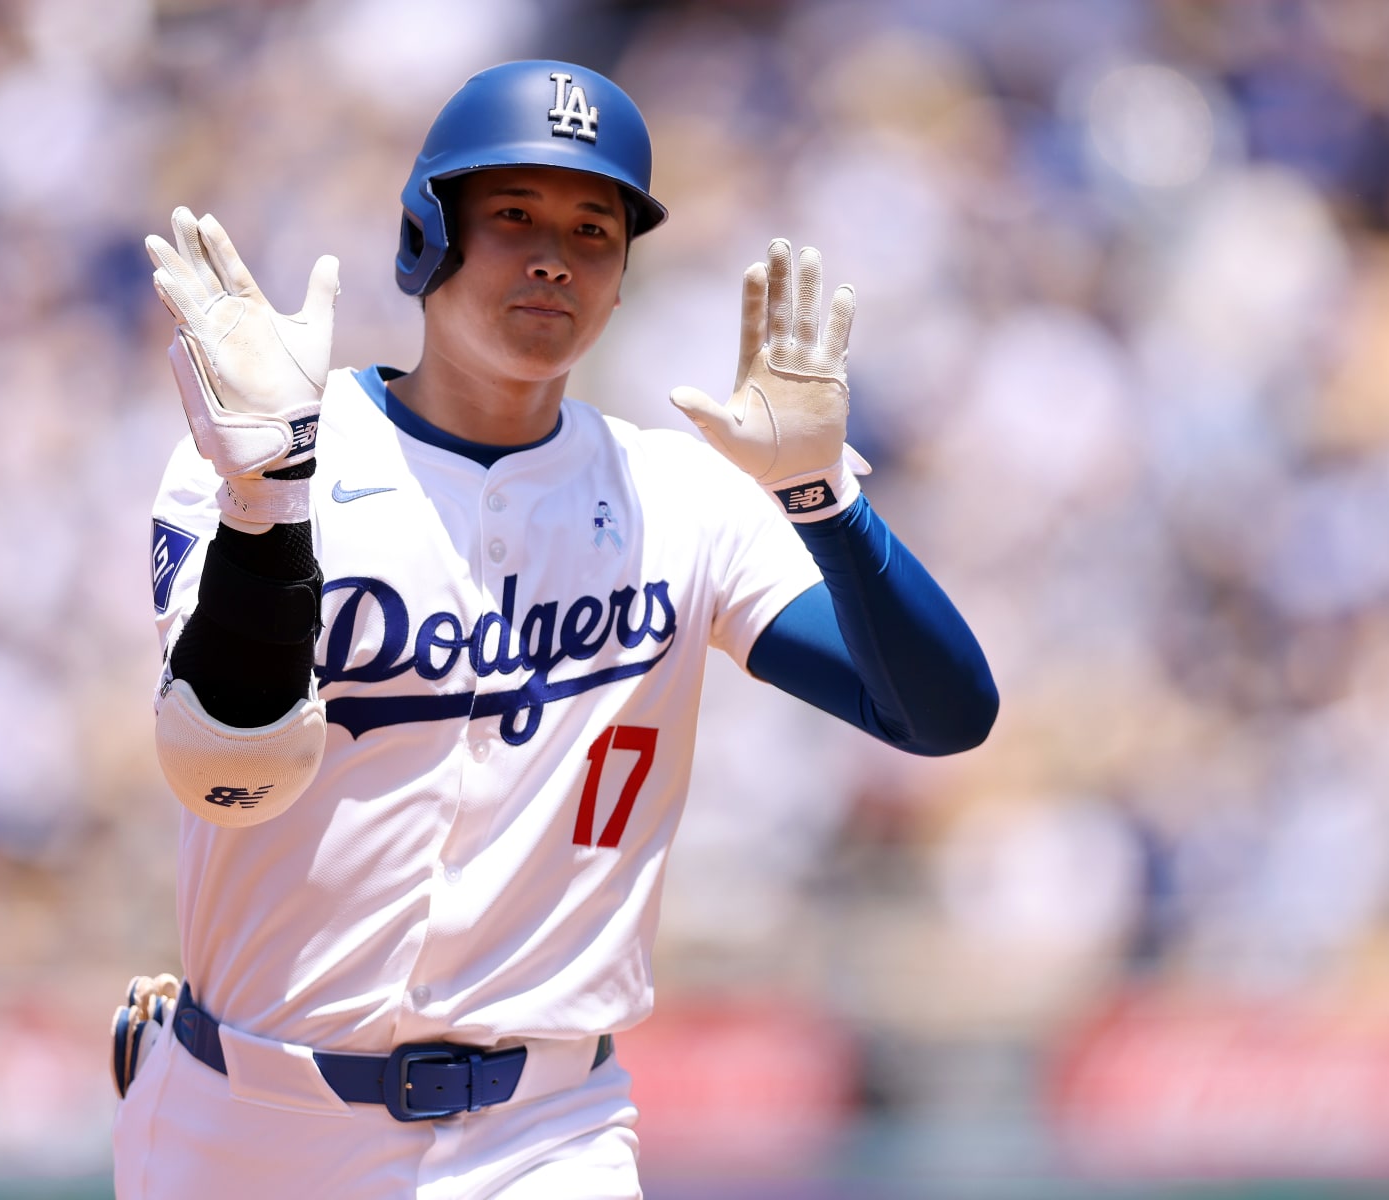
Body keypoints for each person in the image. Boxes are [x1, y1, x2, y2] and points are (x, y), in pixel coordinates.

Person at [113, 59, 997, 1199]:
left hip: (543, 1136)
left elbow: (941, 713)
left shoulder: (682, 494)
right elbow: (229, 771)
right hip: (250, 1123)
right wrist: (268, 494)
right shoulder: (270, 449)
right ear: (428, 239)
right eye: (515, 215)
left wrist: (825, 499)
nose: (553, 257)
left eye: (594, 229)